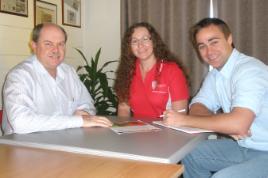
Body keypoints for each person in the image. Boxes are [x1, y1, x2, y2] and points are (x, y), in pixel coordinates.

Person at [163, 18, 268, 178]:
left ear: (229, 39)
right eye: (202, 46)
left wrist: (182, 120)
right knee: (189, 153)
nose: (209, 51)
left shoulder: (250, 70)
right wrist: (225, 123)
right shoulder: (215, 75)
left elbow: (238, 125)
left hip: (265, 150)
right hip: (245, 147)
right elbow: (197, 106)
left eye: (214, 42)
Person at [2, 23, 112, 135]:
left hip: (65, 141)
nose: (56, 50)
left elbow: (87, 103)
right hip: (23, 146)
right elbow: (21, 123)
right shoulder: (19, 76)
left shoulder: (68, 71)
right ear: (34, 46)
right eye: (48, 44)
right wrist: (77, 120)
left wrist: (84, 113)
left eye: (61, 44)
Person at [114, 22, 189, 121]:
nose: (140, 45)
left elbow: (181, 114)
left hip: (166, 131)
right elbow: (123, 108)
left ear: (154, 41)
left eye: (145, 39)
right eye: (134, 41)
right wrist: (123, 129)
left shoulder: (172, 70)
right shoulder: (127, 71)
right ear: (129, 47)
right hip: (136, 132)